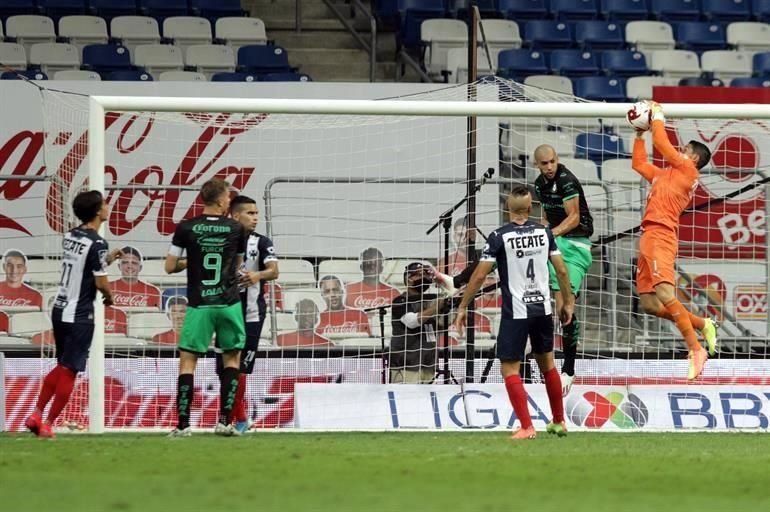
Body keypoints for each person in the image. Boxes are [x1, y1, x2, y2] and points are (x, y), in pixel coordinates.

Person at [453, 186, 574, 440]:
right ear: (531, 209)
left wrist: (463, 306)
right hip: (542, 308)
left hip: (516, 312)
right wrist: (567, 302)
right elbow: (562, 271)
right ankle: (559, 422)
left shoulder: (499, 236)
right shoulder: (544, 233)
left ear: (507, 209)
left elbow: (478, 276)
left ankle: (527, 426)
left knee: (510, 368)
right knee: (548, 364)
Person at [631, 101, 718, 380]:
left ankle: (695, 349)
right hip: (648, 236)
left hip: (662, 235)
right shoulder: (665, 174)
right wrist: (638, 134)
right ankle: (703, 324)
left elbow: (664, 144)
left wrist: (657, 115)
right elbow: (639, 163)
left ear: (692, 159)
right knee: (649, 304)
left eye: (686, 151)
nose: (681, 152)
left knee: (666, 295)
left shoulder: (688, 172)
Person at [25, 190, 121, 438]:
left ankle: (36, 414)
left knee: (63, 366)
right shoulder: (98, 242)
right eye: (105, 204)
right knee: (70, 370)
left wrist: (108, 259)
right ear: (98, 211)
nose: (108, 206)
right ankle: (47, 423)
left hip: (60, 308)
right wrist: (110, 298)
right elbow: (100, 283)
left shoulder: (71, 236)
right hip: (79, 314)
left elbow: (84, 267)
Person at [164, 178, 249, 437]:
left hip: (199, 304)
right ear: (223, 200)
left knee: (188, 363)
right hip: (228, 302)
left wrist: (192, 262)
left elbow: (169, 266)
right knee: (232, 360)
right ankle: (224, 421)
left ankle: (182, 425)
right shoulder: (237, 228)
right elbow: (237, 266)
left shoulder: (186, 228)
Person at [532, 144, 595, 396]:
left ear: (557, 160)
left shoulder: (567, 180)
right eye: (544, 163)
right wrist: (543, 230)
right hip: (556, 242)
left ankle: (569, 368)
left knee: (565, 307)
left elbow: (574, 218)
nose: (548, 167)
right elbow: (548, 214)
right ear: (537, 164)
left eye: (552, 162)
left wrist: (548, 234)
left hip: (576, 245)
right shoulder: (539, 184)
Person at [214, 194, 279, 434]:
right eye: (250, 213)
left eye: (257, 213)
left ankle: (236, 419)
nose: (255, 218)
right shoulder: (220, 239)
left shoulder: (261, 242)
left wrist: (256, 275)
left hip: (251, 313)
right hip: (223, 309)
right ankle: (231, 418)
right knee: (224, 367)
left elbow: (274, 271)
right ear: (234, 215)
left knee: (241, 367)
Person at [389, 262, 453, 383]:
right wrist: (436, 308)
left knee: (425, 399)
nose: (424, 278)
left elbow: (443, 324)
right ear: (409, 279)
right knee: (406, 398)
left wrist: (442, 286)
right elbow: (411, 321)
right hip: (405, 363)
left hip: (428, 361)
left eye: (426, 275)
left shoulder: (430, 301)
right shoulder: (400, 301)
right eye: (419, 275)